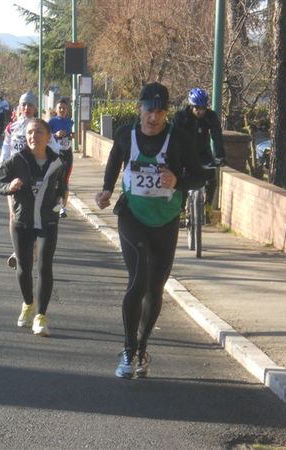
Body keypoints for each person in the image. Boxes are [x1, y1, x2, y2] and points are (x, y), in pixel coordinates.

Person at [94, 82, 206, 379]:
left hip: (166, 220)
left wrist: (177, 181)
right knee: (139, 278)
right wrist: (106, 190)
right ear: (139, 109)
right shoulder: (125, 135)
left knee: (155, 287)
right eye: (148, 110)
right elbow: (114, 160)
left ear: (166, 113)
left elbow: (199, 176)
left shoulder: (179, 139)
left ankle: (142, 348)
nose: (153, 118)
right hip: (132, 216)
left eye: (159, 112)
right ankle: (129, 350)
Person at [0, 119, 67, 337]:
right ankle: (28, 304)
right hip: (22, 221)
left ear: (48, 136)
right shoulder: (18, 160)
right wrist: (9, 187)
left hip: (47, 221)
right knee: (24, 268)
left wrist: (62, 200)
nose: (34, 136)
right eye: (30, 133)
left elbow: (62, 185)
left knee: (45, 267)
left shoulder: (57, 162)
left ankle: (41, 316)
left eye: (39, 132)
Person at [172, 87, 225, 205]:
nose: (200, 111)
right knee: (182, 180)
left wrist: (220, 155)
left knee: (211, 178)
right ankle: (181, 209)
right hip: (184, 154)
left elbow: (216, 135)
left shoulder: (210, 116)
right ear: (191, 106)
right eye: (197, 108)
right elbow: (173, 137)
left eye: (203, 108)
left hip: (203, 153)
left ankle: (207, 207)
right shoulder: (181, 117)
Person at [48, 97, 74, 217]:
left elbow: (73, 135)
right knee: (55, 180)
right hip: (55, 154)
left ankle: (63, 208)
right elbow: (46, 136)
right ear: (56, 109)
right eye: (60, 108)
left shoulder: (70, 121)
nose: (62, 110)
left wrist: (71, 135)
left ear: (67, 109)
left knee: (65, 181)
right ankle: (54, 203)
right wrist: (55, 134)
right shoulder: (51, 122)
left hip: (67, 153)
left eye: (64, 108)